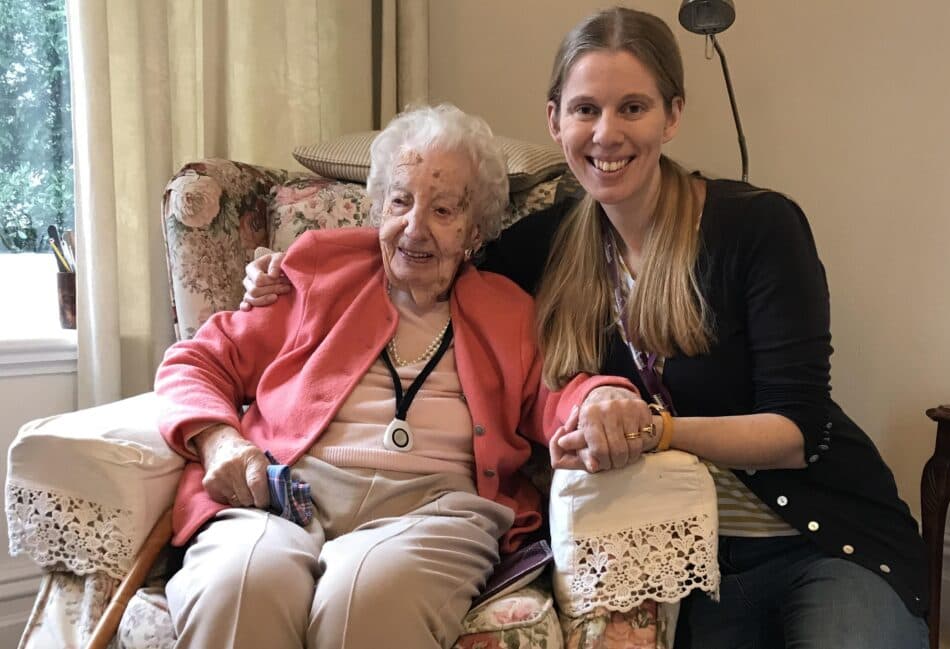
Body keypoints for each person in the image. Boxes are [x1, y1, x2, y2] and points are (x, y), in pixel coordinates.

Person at [243, 8, 929, 648]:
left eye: (633, 107)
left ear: (673, 115)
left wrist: (654, 430)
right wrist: (294, 273)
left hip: (816, 538)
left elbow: (798, 432)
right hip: (679, 562)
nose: (607, 133)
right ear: (554, 120)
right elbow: (424, 253)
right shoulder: (540, 246)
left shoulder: (756, 227)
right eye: (585, 110)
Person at [155, 104, 651, 649]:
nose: (414, 228)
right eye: (399, 201)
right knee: (239, 582)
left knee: (365, 592)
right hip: (285, 497)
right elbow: (196, 361)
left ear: (476, 231)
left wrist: (603, 397)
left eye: (443, 210)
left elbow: (559, 393)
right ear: (377, 208)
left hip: (434, 510)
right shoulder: (317, 271)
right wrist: (219, 441)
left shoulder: (508, 313)